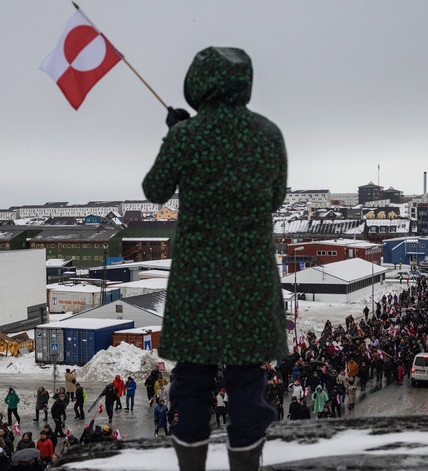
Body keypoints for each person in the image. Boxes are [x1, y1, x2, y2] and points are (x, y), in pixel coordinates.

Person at [143, 46, 287, 471]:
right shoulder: (267, 133)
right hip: (251, 273)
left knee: (192, 376)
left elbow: (155, 190)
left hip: (197, 276)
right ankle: (246, 462)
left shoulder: (187, 137)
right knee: (247, 377)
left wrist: (176, 136)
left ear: (197, 83)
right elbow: (276, 197)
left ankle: (191, 463)